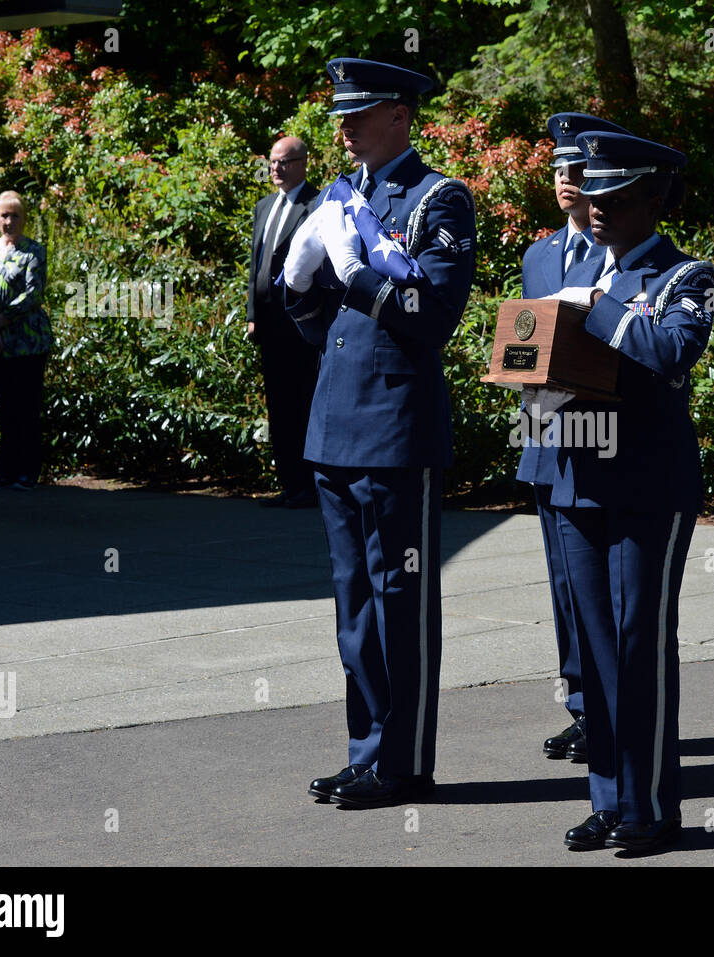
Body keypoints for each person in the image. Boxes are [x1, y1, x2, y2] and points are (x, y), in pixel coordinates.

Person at [284, 58, 477, 809]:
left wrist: (358, 272)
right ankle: (366, 752)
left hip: (396, 430)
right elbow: (315, 317)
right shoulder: (344, 196)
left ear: (400, 115)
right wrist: (299, 283)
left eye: (360, 114)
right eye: (341, 115)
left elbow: (431, 317)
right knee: (354, 602)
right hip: (335, 423)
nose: (345, 127)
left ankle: (403, 761)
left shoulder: (437, 200)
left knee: (400, 599)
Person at [541, 131, 714, 852]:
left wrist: (599, 309)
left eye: (615, 196)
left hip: (648, 486)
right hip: (578, 478)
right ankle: (610, 797)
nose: (597, 207)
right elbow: (544, 378)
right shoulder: (580, 268)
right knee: (598, 648)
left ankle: (650, 805)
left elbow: (671, 354)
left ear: (653, 198)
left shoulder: (686, 276)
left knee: (639, 642)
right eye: (593, 194)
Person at [520, 111, 627, 764]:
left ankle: (615, 712)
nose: (567, 179)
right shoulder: (538, 254)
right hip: (547, 439)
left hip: (603, 437)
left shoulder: (617, 251)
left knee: (601, 588)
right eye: (560, 168)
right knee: (563, 588)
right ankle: (582, 706)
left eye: (579, 169)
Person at [247, 136, 320, 509]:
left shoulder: (317, 204)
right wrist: (251, 316)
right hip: (270, 329)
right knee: (277, 408)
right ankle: (289, 484)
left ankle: (309, 486)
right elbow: (255, 267)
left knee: (302, 406)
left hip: (300, 328)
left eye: (284, 162)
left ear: (303, 163)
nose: (276, 169)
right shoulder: (264, 206)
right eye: (272, 162)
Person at [0, 191, 52, 491]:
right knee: (5, 408)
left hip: (28, 343)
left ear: (24, 218)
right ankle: (6, 471)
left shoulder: (34, 251)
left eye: (15, 215)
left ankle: (28, 473)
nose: (9, 221)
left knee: (26, 408)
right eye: (4, 215)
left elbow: (32, 295)